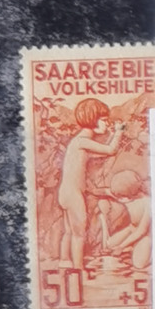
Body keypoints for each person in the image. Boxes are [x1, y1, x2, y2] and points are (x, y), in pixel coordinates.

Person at [54, 99, 126, 271]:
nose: (107, 124)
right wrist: (119, 132)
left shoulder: (78, 143)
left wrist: (112, 137)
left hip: (66, 193)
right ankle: (78, 269)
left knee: (69, 231)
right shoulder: (82, 141)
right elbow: (110, 150)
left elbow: (101, 155)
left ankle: (64, 261)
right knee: (79, 233)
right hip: (73, 194)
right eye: (104, 120)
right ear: (92, 119)